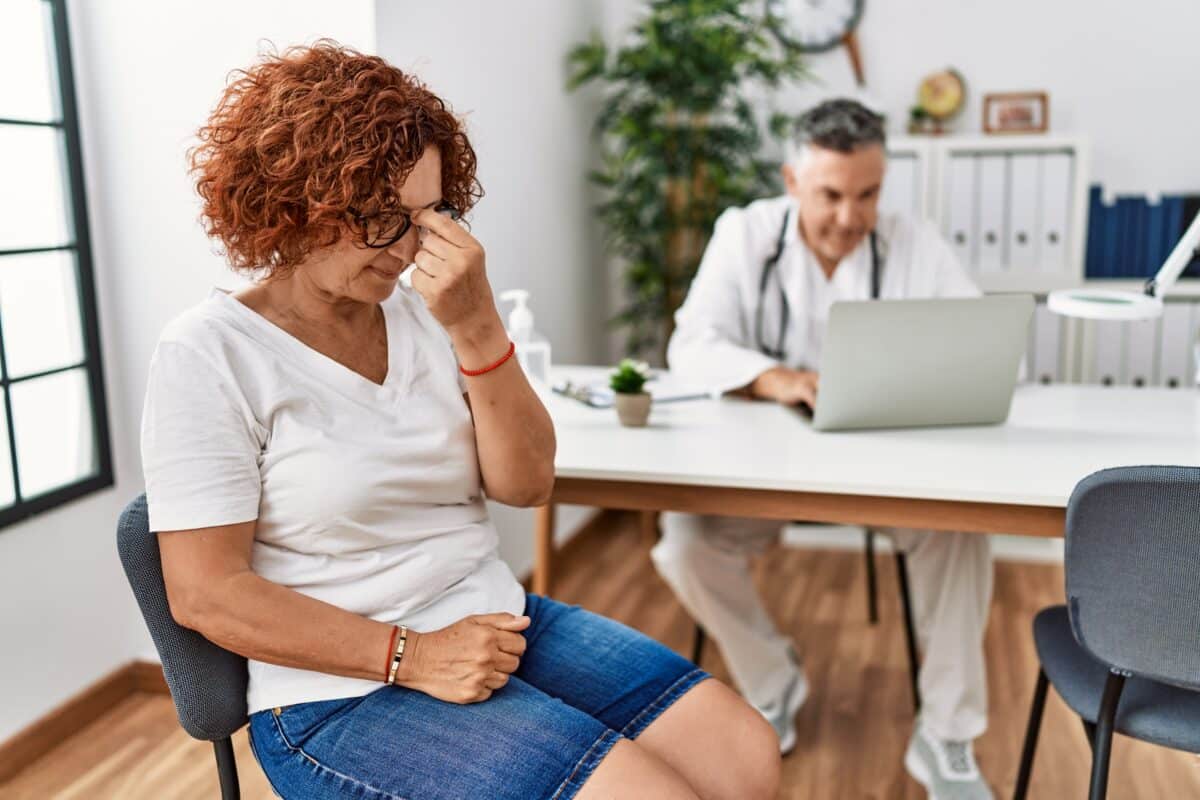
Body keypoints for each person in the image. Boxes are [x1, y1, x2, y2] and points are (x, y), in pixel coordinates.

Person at [141, 42, 779, 800]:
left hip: (495, 622)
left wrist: (479, 329)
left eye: (428, 217)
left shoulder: (426, 316)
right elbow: (207, 595)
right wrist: (412, 656)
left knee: (745, 757)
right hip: (336, 694)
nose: (410, 249)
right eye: (382, 218)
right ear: (295, 201)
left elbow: (527, 483)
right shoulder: (208, 354)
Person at [651, 98, 994, 799]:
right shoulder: (744, 234)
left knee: (960, 536)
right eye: (830, 195)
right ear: (791, 181)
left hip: (888, 473)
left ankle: (947, 734)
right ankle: (773, 678)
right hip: (765, 474)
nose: (849, 216)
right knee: (683, 543)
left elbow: (979, 343)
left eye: (867, 194)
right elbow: (692, 344)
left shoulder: (912, 240)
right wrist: (775, 379)